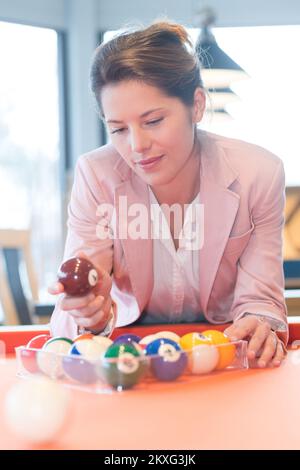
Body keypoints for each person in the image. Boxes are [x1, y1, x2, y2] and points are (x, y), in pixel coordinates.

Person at [49, 20, 288, 368]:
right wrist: (90, 313)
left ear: (197, 105)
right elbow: (75, 310)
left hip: (223, 353)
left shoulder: (259, 174)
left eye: (153, 121)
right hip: (133, 356)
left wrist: (262, 323)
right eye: (118, 129)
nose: (137, 146)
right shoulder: (96, 175)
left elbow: (261, 301)